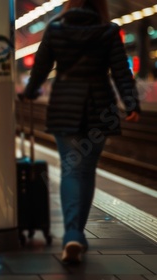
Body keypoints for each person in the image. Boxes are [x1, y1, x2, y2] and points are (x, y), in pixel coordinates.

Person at [22, 0, 141, 263]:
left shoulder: (55, 29)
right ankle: (77, 234)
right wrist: (131, 103)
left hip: (65, 104)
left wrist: (30, 93)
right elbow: (122, 71)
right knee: (86, 170)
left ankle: (73, 233)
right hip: (99, 106)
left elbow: (40, 67)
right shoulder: (108, 30)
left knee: (71, 168)